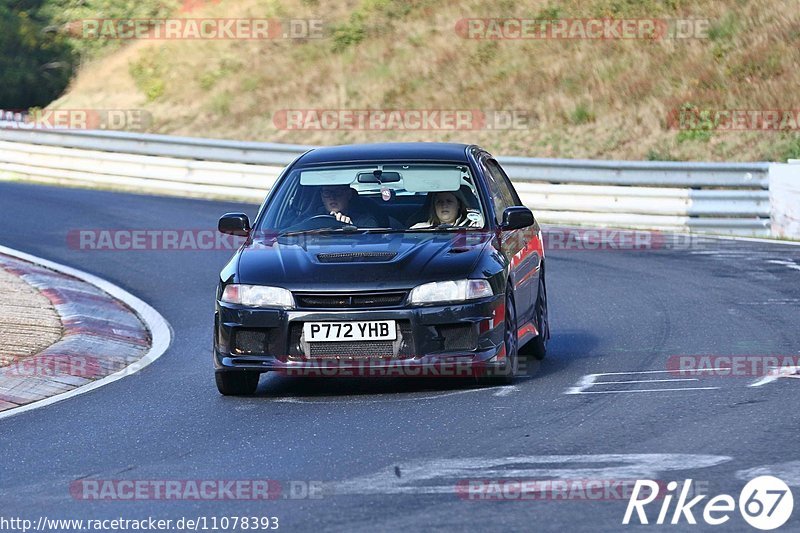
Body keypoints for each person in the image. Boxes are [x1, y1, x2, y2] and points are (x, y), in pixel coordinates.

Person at [313, 185, 378, 227]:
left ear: (349, 194)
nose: (332, 197)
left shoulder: (365, 221)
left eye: (338, 192)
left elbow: (369, 244)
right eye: (327, 193)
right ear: (322, 197)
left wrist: (352, 231)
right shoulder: (313, 218)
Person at [411, 190, 478, 228]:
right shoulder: (418, 229)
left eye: (449, 201)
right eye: (439, 202)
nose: (444, 205)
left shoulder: (475, 227)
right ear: (434, 207)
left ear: (458, 205)